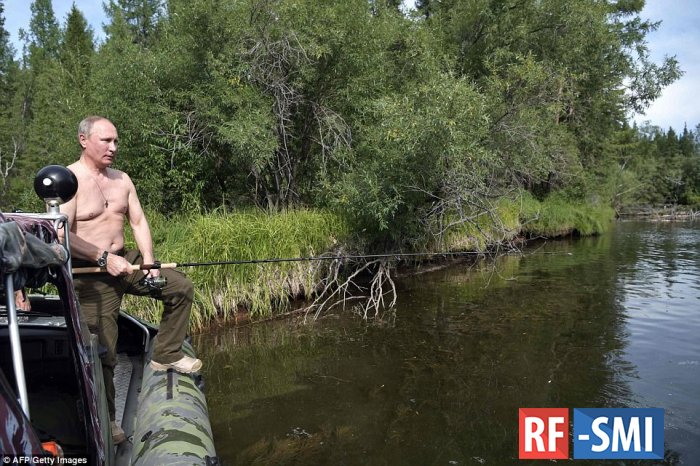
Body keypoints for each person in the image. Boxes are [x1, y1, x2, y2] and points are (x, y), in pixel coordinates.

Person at [60, 116, 202, 445]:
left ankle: (166, 353)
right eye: (106, 141)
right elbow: (62, 233)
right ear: (84, 140)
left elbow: (137, 220)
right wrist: (101, 258)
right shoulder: (68, 180)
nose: (113, 147)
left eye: (116, 141)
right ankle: (107, 420)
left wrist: (149, 261)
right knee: (104, 350)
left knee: (180, 287)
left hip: (127, 261)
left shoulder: (121, 179)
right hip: (91, 273)